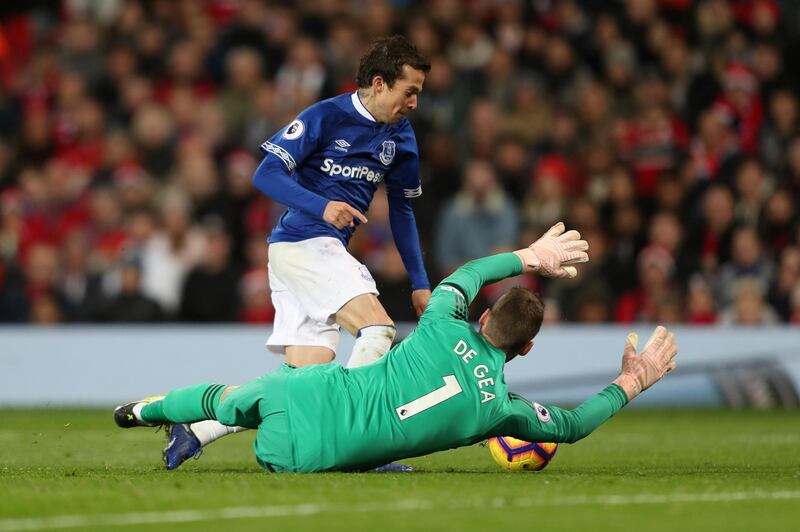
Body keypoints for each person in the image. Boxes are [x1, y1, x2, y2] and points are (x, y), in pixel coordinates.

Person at [115, 223, 679, 473]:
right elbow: (574, 424)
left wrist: (529, 257)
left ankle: (140, 412)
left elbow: (469, 271)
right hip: (302, 462)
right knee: (365, 421)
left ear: (483, 314)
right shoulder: (500, 409)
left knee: (226, 397)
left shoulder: (441, 320)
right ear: (526, 351)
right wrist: (632, 381)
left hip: (301, 398)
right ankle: (371, 460)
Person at [172, 36, 433, 461]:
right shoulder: (326, 116)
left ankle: (198, 430)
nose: (415, 103)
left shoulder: (401, 138)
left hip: (307, 253)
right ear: (381, 83)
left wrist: (420, 282)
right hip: (304, 242)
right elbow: (266, 174)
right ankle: (359, 444)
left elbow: (402, 212)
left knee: (302, 383)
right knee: (378, 329)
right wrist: (322, 205)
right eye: (410, 92)